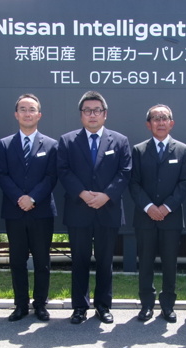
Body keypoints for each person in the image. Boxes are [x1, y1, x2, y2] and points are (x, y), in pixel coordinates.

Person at [57, 91, 132, 324]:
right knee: (79, 260)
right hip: (78, 209)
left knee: (104, 261)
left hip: (107, 210)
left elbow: (125, 172)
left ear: (104, 114)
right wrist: (82, 193)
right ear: (81, 115)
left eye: (97, 110)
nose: (92, 114)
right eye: (87, 110)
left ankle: (103, 306)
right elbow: (63, 171)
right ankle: (79, 307)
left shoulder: (120, 141)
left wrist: (106, 195)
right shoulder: (67, 140)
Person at [0, 94, 58, 322]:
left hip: (41, 212)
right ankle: (20, 305)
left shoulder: (51, 145)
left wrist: (32, 198)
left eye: (32, 109)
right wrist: (19, 198)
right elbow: (1, 174)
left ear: (39, 115)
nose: (27, 113)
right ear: (16, 114)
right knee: (17, 260)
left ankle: (40, 304)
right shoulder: (5, 144)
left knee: (42, 261)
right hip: (15, 211)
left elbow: (51, 176)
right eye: (23, 109)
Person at [129, 104, 186, 323]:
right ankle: (146, 305)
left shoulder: (183, 150)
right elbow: (134, 183)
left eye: (164, 118)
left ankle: (167, 305)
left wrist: (166, 208)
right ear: (149, 124)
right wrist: (149, 207)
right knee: (145, 263)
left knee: (169, 264)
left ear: (171, 123)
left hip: (171, 219)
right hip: (145, 218)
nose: (161, 122)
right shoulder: (138, 150)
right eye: (156, 119)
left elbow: (184, 183)